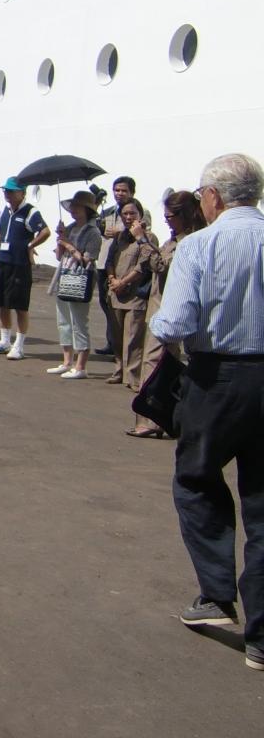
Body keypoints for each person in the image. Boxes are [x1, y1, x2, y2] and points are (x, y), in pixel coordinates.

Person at [149, 153, 264, 672]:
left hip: (216, 377)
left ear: (213, 196)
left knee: (196, 478)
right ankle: (262, 637)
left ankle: (216, 593)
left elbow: (172, 324)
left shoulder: (199, 246)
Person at [128, 190, 207, 437]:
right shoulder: (175, 240)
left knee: (154, 362)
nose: (166, 221)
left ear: (184, 215)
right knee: (164, 364)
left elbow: (161, 266)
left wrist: (142, 240)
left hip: (168, 310)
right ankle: (162, 418)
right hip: (159, 305)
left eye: (170, 216)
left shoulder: (188, 242)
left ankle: (151, 420)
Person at [0, 177, 50, 360]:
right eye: (6, 190)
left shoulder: (30, 212)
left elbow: (45, 231)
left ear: (22, 193)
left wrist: (30, 245)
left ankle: (19, 345)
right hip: (3, 262)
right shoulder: (4, 211)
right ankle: (4, 341)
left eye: (11, 191)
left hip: (20, 265)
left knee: (20, 306)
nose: (7, 194)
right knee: (2, 303)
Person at [47, 189, 103, 380]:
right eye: (73, 206)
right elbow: (58, 256)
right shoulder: (70, 228)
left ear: (87, 209)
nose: (73, 210)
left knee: (79, 322)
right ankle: (67, 361)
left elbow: (87, 259)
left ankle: (81, 366)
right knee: (63, 321)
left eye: (78, 207)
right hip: (63, 276)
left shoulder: (93, 232)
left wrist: (68, 244)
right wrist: (61, 239)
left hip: (80, 278)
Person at [96, 176, 152, 356]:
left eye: (123, 190)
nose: (119, 193)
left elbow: (144, 231)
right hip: (107, 262)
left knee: (129, 309)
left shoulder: (140, 211)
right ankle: (112, 342)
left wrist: (120, 231)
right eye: (116, 190)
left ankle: (125, 350)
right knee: (108, 305)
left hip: (129, 265)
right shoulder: (108, 212)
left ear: (132, 192)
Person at [104, 198, 150, 391]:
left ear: (140, 215)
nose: (129, 217)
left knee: (133, 338)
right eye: (125, 214)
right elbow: (109, 261)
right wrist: (113, 279)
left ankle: (133, 376)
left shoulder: (148, 238)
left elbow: (143, 265)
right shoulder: (119, 238)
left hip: (135, 295)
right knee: (117, 336)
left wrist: (124, 282)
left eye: (132, 213)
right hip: (116, 293)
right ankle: (119, 370)